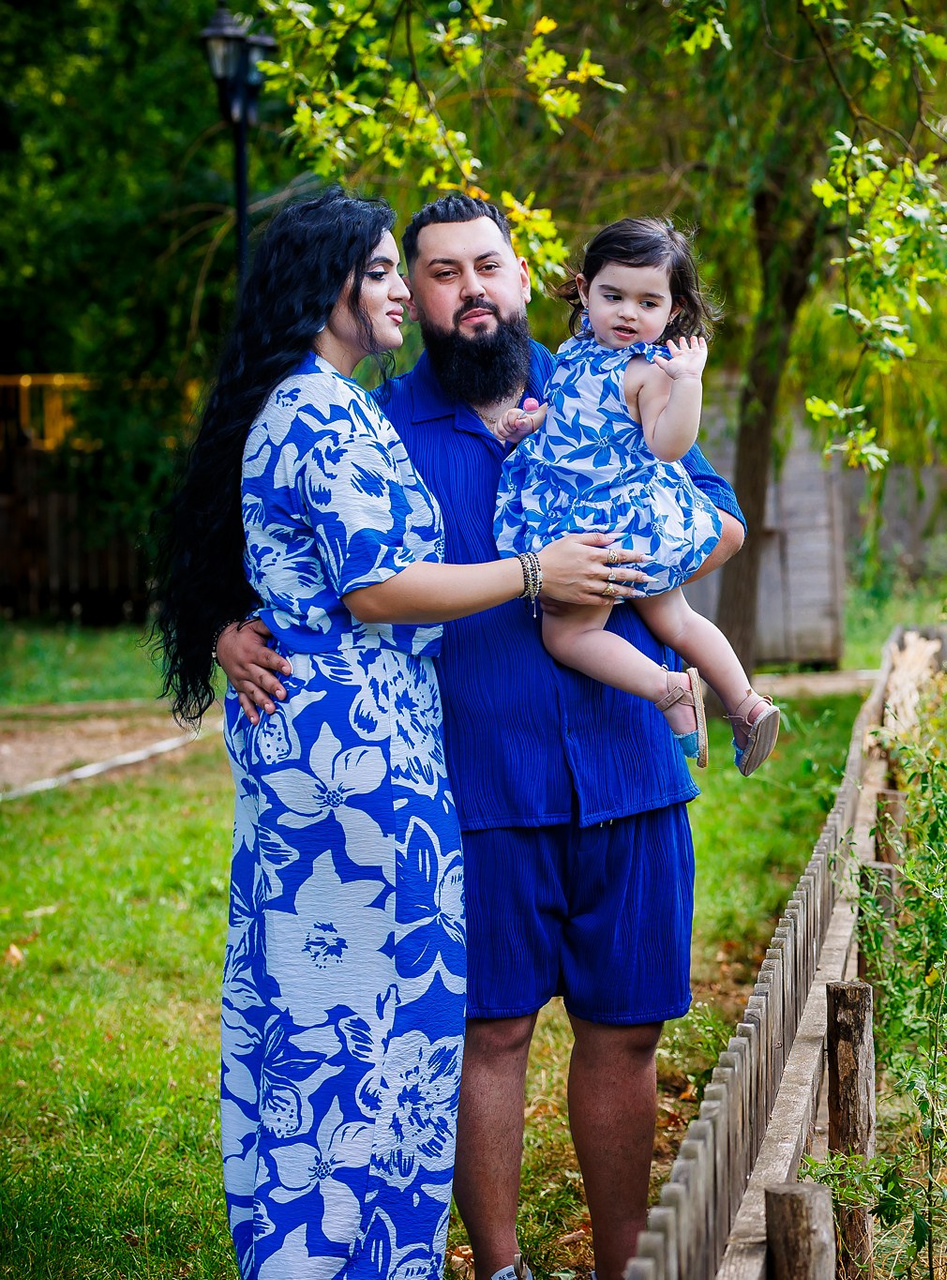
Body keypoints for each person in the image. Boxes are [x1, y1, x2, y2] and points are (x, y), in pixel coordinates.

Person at [215, 193, 746, 1280]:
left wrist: (631, 551)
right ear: (412, 291)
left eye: (487, 267)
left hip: (628, 767)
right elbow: (275, 543)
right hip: (478, 784)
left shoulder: (612, 377)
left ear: (525, 277)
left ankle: (624, 1265)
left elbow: (723, 520)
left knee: (628, 1032)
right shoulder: (374, 423)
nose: (470, 292)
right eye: (440, 272)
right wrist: (221, 626)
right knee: (490, 1032)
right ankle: (501, 1267)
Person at [495, 217, 780, 776]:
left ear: (674, 310)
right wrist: (533, 421)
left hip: (603, 527)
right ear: (584, 290)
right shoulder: (575, 351)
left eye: (648, 303)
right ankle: (747, 704)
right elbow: (578, 415)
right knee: (676, 621)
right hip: (620, 520)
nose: (628, 313)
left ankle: (668, 689)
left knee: (568, 634)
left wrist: (688, 384)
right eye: (614, 296)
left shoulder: (650, 373)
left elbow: (668, 445)